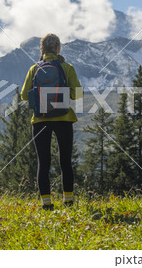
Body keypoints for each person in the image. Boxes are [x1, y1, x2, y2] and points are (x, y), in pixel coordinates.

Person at [21, 33, 82, 210]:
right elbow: (76, 94)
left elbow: (25, 95)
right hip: (64, 118)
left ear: (42, 50)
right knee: (65, 160)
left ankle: (47, 203)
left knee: (43, 162)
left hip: (40, 119)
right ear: (58, 48)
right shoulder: (67, 67)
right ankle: (68, 201)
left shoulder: (34, 69)